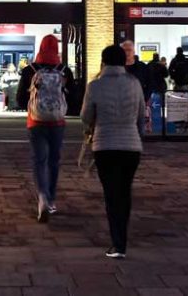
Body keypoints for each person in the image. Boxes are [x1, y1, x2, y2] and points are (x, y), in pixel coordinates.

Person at [81, 44, 149, 259]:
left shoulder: (95, 86)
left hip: (105, 144)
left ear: (104, 61)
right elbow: (140, 116)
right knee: (125, 191)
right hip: (131, 146)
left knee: (111, 193)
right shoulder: (134, 84)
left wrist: (93, 126)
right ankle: (122, 239)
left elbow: (85, 116)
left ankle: (117, 243)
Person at [16, 35, 74, 222]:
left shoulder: (29, 70)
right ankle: (51, 199)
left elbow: (19, 100)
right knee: (54, 160)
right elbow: (74, 98)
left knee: (39, 160)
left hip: (36, 122)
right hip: (57, 122)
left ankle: (41, 195)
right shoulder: (64, 71)